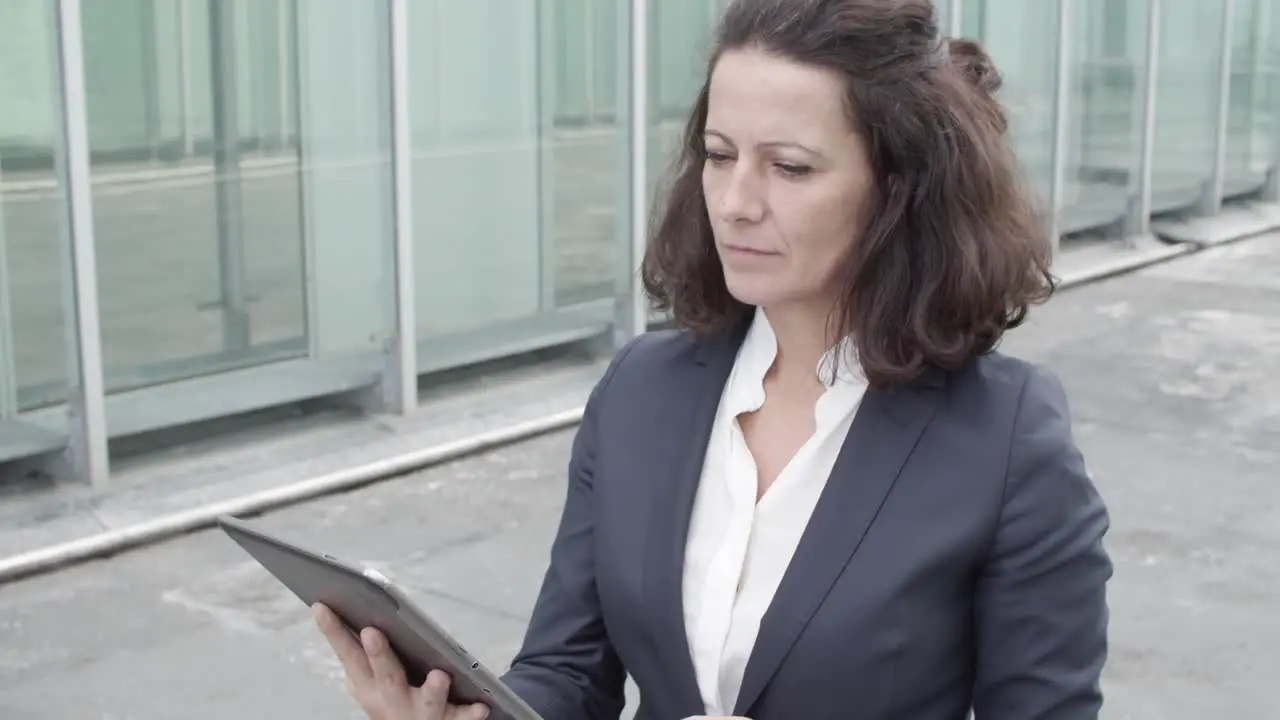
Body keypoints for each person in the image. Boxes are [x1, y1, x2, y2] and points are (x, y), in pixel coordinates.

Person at [314, 0, 1114, 717]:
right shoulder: (640, 392)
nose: (735, 201)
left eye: (790, 167)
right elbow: (566, 674)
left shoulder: (1006, 441)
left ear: (898, 189)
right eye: (720, 154)